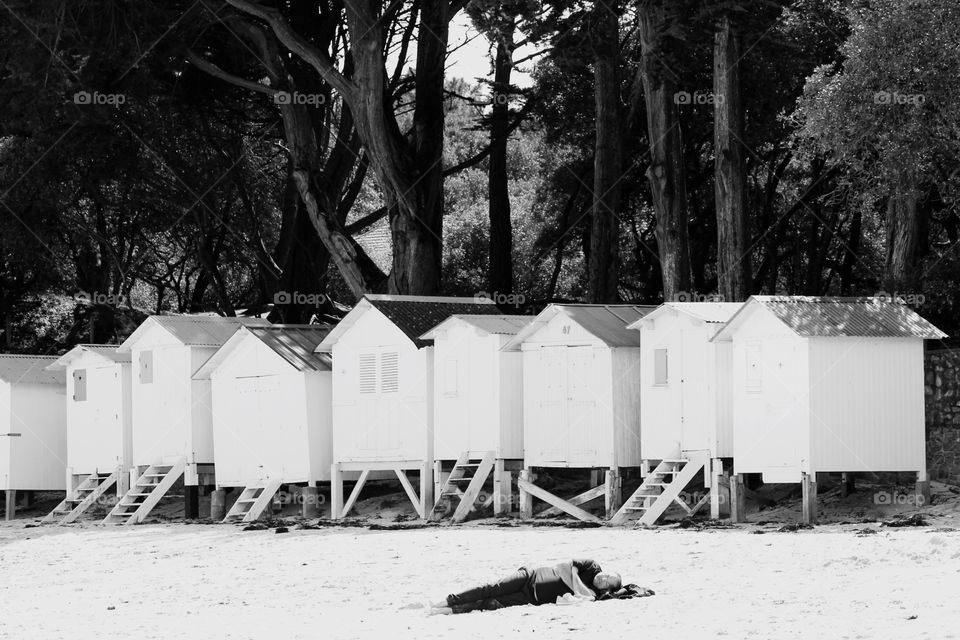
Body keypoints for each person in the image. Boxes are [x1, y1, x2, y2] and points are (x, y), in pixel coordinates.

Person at [425, 559, 623, 615]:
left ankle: (450, 610)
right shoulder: (592, 566)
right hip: (530, 576)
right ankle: (449, 599)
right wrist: (579, 588)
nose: (602, 578)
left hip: (532, 599)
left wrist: (575, 580)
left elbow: (573, 577)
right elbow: (564, 567)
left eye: (607, 582)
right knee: (491, 588)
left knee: (492, 603)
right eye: (606, 575)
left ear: (608, 589)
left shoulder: (597, 595)